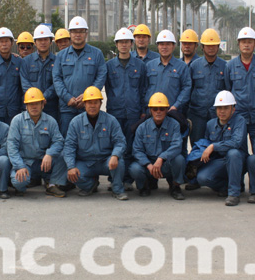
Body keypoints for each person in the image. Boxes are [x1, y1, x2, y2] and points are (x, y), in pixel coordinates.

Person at [64, 86, 129, 200]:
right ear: (84, 104)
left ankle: (117, 189)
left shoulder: (111, 121)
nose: (92, 105)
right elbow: (69, 147)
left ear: (100, 103)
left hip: (106, 161)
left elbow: (120, 142)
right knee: (71, 174)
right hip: (86, 162)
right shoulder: (75, 123)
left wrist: (115, 155)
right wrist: (71, 166)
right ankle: (90, 185)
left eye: (95, 102)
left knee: (119, 162)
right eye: (89, 102)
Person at [189, 90, 247, 206]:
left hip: (238, 161)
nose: (222, 111)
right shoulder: (210, 124)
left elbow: (236, 143)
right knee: (202, 178)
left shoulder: (240, 121)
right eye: (219, 108)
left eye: (226, 108)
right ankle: (227, 186)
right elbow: (206, 143)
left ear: (233, 109)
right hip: (220, 161)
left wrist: (213, 146)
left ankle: (234, 194)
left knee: (233, 153)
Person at [52, 16, 107, 136]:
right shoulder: (61, 56)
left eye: (81, 31)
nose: (78, 34)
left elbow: (101, 76)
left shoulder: (96, 54)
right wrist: (67, 98)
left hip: (89, 107)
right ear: (70, 34)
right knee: (67, 139)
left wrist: (88, 96)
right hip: (67, 108)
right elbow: (56, 79)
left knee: (89, 138)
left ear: (86, 34)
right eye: (74, 31)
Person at [7, 88, 67, 197]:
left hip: (44, 162)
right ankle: (24, 184)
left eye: (37, 103)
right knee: (18, 182)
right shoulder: (17, 121)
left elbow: (59, 141)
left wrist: (49, 154)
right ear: (26, 106)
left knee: (63, 154)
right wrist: (20, 166)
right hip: (26, 162)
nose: (34, 107)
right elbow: (12, 146)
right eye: (31, 104)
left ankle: (52, 184)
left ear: (42, 105)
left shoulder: (50, 121)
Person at [105, 27, 147, 175]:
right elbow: (108, 88)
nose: (124, 45)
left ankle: (127, 179)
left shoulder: (140, 66)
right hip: (115, 113)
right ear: (116, 44)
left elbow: (143, 89)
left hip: (133, 113)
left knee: (130, 146)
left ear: (131, 44)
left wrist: (143, 111)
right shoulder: (109, 66)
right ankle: (114, 178)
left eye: (126, 42)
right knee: (114, 145)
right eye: (120, 42)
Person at [130, 92, 186, 200]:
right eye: (155, 109)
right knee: (134, 168)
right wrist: (148, 165)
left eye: (162, 109)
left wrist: (161, 158)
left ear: (167, 110)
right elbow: (137, 150)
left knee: (179, 159)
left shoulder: (174, 125)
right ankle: (144, 186)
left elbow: (177, 145)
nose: (158, 112)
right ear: (150, 110)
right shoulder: (142, 127)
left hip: (166, 164)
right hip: (149, 165)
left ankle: (175, 186)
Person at [224, 27, 255, 144]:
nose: (246, 45)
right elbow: (228, 89)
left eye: (250, 42)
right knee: (238, 148)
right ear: (238, 44)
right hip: (238, 116)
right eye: (243, 42)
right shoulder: (230, 66)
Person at [187, 28, 227, 145]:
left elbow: (228, 91)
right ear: (202, 47)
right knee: (197, 147)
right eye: (208, 45)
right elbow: (189, 89)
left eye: (214, 45)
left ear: (218, 47)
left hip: (217, 116)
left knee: (217, 147)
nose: (211, 48)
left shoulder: (225, 66)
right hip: (197, 115)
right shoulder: (194, 66)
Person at [144, 30, 192, 115]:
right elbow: (143, 88)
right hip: (152, 112)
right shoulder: (150, 66)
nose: (164, 47)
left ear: (173, 46)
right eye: (162, 44)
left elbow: (186, 88)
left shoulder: (182, 67)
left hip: (173, 112)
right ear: (158, 46)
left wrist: (176, 106)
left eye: (168, 44)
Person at [21, 24, 59, 122]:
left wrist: (44, 97)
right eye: (40, 40)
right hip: (31, 107)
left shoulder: (57, 61)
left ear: (51, 42)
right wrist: (36, 99)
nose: (43, 42)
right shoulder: (26, 61)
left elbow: (57, 82)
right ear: (35, 42)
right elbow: (24, 83)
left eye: (45, 39)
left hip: (51, 106)